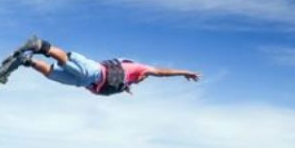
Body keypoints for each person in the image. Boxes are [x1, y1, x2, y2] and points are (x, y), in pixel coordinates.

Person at [17, 36, 201, 96]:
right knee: (64, 61)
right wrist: (185, 72)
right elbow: (162, 72)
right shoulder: (141, 69)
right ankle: (39, 45)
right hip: (95, 73)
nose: (145, 79)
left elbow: (122, 81)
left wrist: (126, 88)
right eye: (146, 77)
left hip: (86, 81)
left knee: (51, 73)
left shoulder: (130, 77)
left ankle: (27, 60)